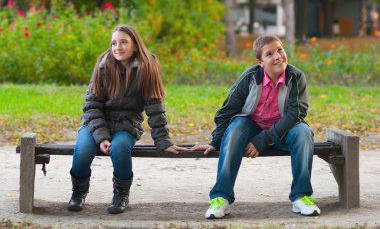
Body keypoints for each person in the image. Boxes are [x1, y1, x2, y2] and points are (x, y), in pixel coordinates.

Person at [192, 35, 320, 218]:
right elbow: (227, 110)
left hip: (283, 129)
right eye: (270, 54)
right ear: (260, 62)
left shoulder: (296, 77)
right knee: (236, 127)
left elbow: (296, 114)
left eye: (280, 50)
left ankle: (301, 197)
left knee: (304, 133)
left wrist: (263, 140)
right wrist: (216, 141)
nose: (278, 56)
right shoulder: (250, 77)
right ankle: (221, 198)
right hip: (251, 126)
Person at [67, 24, 188, 214]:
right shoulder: (103, 66)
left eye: (124, 42)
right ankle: (78, 193)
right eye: (114, 43)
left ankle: (121, 195)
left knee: (120, 148)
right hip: (96, 123)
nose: (117, 47)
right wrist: (102, 137)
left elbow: (155, 108)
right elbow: (91, 107)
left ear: (135, 45)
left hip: (127, 123)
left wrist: (163, 140)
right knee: (82, 151)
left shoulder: (147, 68)